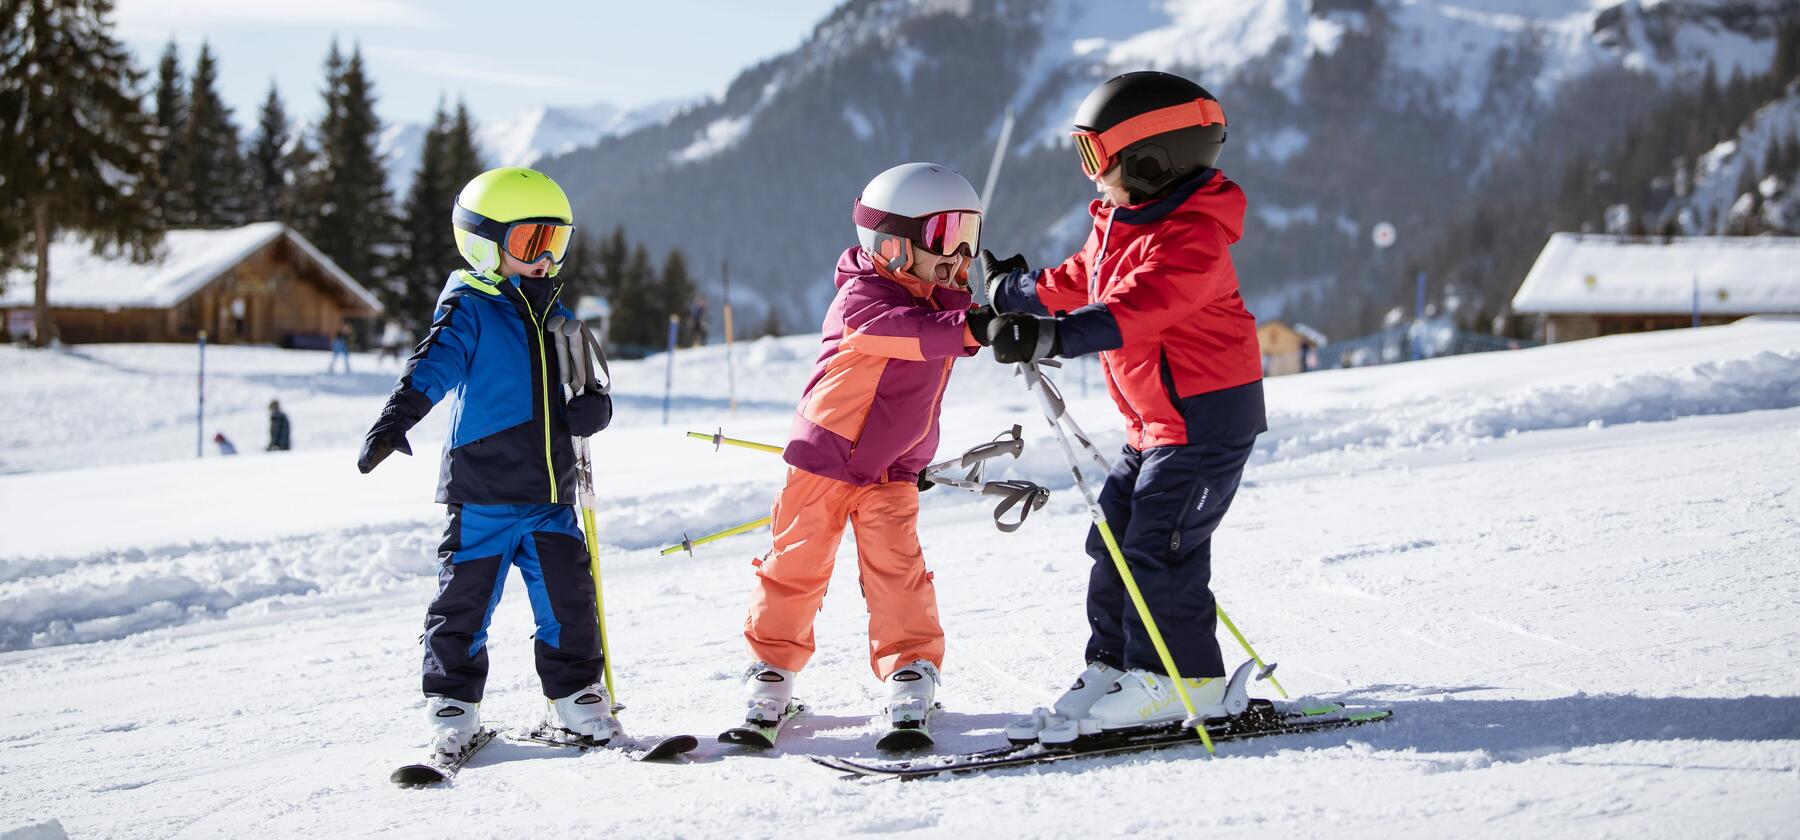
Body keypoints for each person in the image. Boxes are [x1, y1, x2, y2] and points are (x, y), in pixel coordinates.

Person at [980, 71, 1266, 742]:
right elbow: (1081, 279)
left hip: (1203, 423)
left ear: (1151, 159)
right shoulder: (1120, 221)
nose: (1090, 178)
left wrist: (1054, 336)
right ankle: (1118, 666)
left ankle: (1180, 679)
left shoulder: (1189, 240)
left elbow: (1133, 310)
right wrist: (1016, 295)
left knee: (1159, 548)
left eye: (1093, 158)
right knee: (1112, 538)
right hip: (1155, 427)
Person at [356, 167, 617, 757]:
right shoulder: (471, 308)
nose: (547, 258)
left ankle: (578, 698)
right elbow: (432, 367)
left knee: (570, 600)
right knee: (464, 603)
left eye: (557, 242)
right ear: (483, 244)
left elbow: (587, 384)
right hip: (484, 494)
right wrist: (395, 420)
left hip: (552, 494)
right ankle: (453, 706)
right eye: (532, 242)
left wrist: (595, 409)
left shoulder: (556, 313)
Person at [738, 163, 987, 736]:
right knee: (797, 565)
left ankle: (910, 667)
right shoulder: (864, 301)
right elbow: (909, 333)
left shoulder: (937, 301)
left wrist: (1002, 309)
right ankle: (771, 669)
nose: (961, 253)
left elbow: (941, 347)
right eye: (947, 235)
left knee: (897, 570)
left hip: (892, 470)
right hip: (826, 457)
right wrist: (978, 326)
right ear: (893, 246)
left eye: (971, 235)